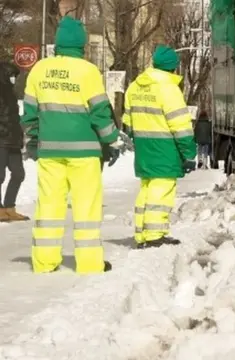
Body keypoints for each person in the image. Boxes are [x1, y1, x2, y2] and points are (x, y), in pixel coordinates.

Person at [20, 16, 121, 274]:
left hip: (50, 151)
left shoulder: (39, 69)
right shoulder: (87, 71)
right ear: (82, 45)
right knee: (86, 207)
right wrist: (111, 139)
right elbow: (100, 112)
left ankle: (44, 262)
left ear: (58, 43)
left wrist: (33, 140)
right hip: (84, 152)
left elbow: (30, 113)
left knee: (49, 206)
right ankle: (89, 263)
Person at [122, 45, 197, 250]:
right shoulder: (169, 89)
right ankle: (155, 234)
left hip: (143, 146)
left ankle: (142, 232)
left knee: (146, 188)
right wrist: (189, 152)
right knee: (161, 190)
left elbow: (128, 120)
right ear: (173, 68)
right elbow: (180, 125)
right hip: (165, 148)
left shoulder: (135, 86)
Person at [0, 62, 29, 222]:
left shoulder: (11, 93)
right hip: (1, 140)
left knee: (18, 173)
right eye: (11, 75)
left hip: (13, 140)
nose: (14, 79)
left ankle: (9, 207)